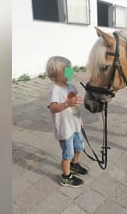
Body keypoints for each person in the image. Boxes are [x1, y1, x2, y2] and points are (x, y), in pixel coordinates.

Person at [46, 56, 88, 188]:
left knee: (79, 147)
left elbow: (75, 106)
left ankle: (74, 165)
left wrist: (80, 119)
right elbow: (53, 108)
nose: (71, 72)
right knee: (68, 153)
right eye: (67, 70)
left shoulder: (71, 86)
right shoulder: (55, 90)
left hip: (75, 125)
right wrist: (66, 103)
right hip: (65, 129)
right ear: (56, 73)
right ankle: (66, 177)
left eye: (71, 69)